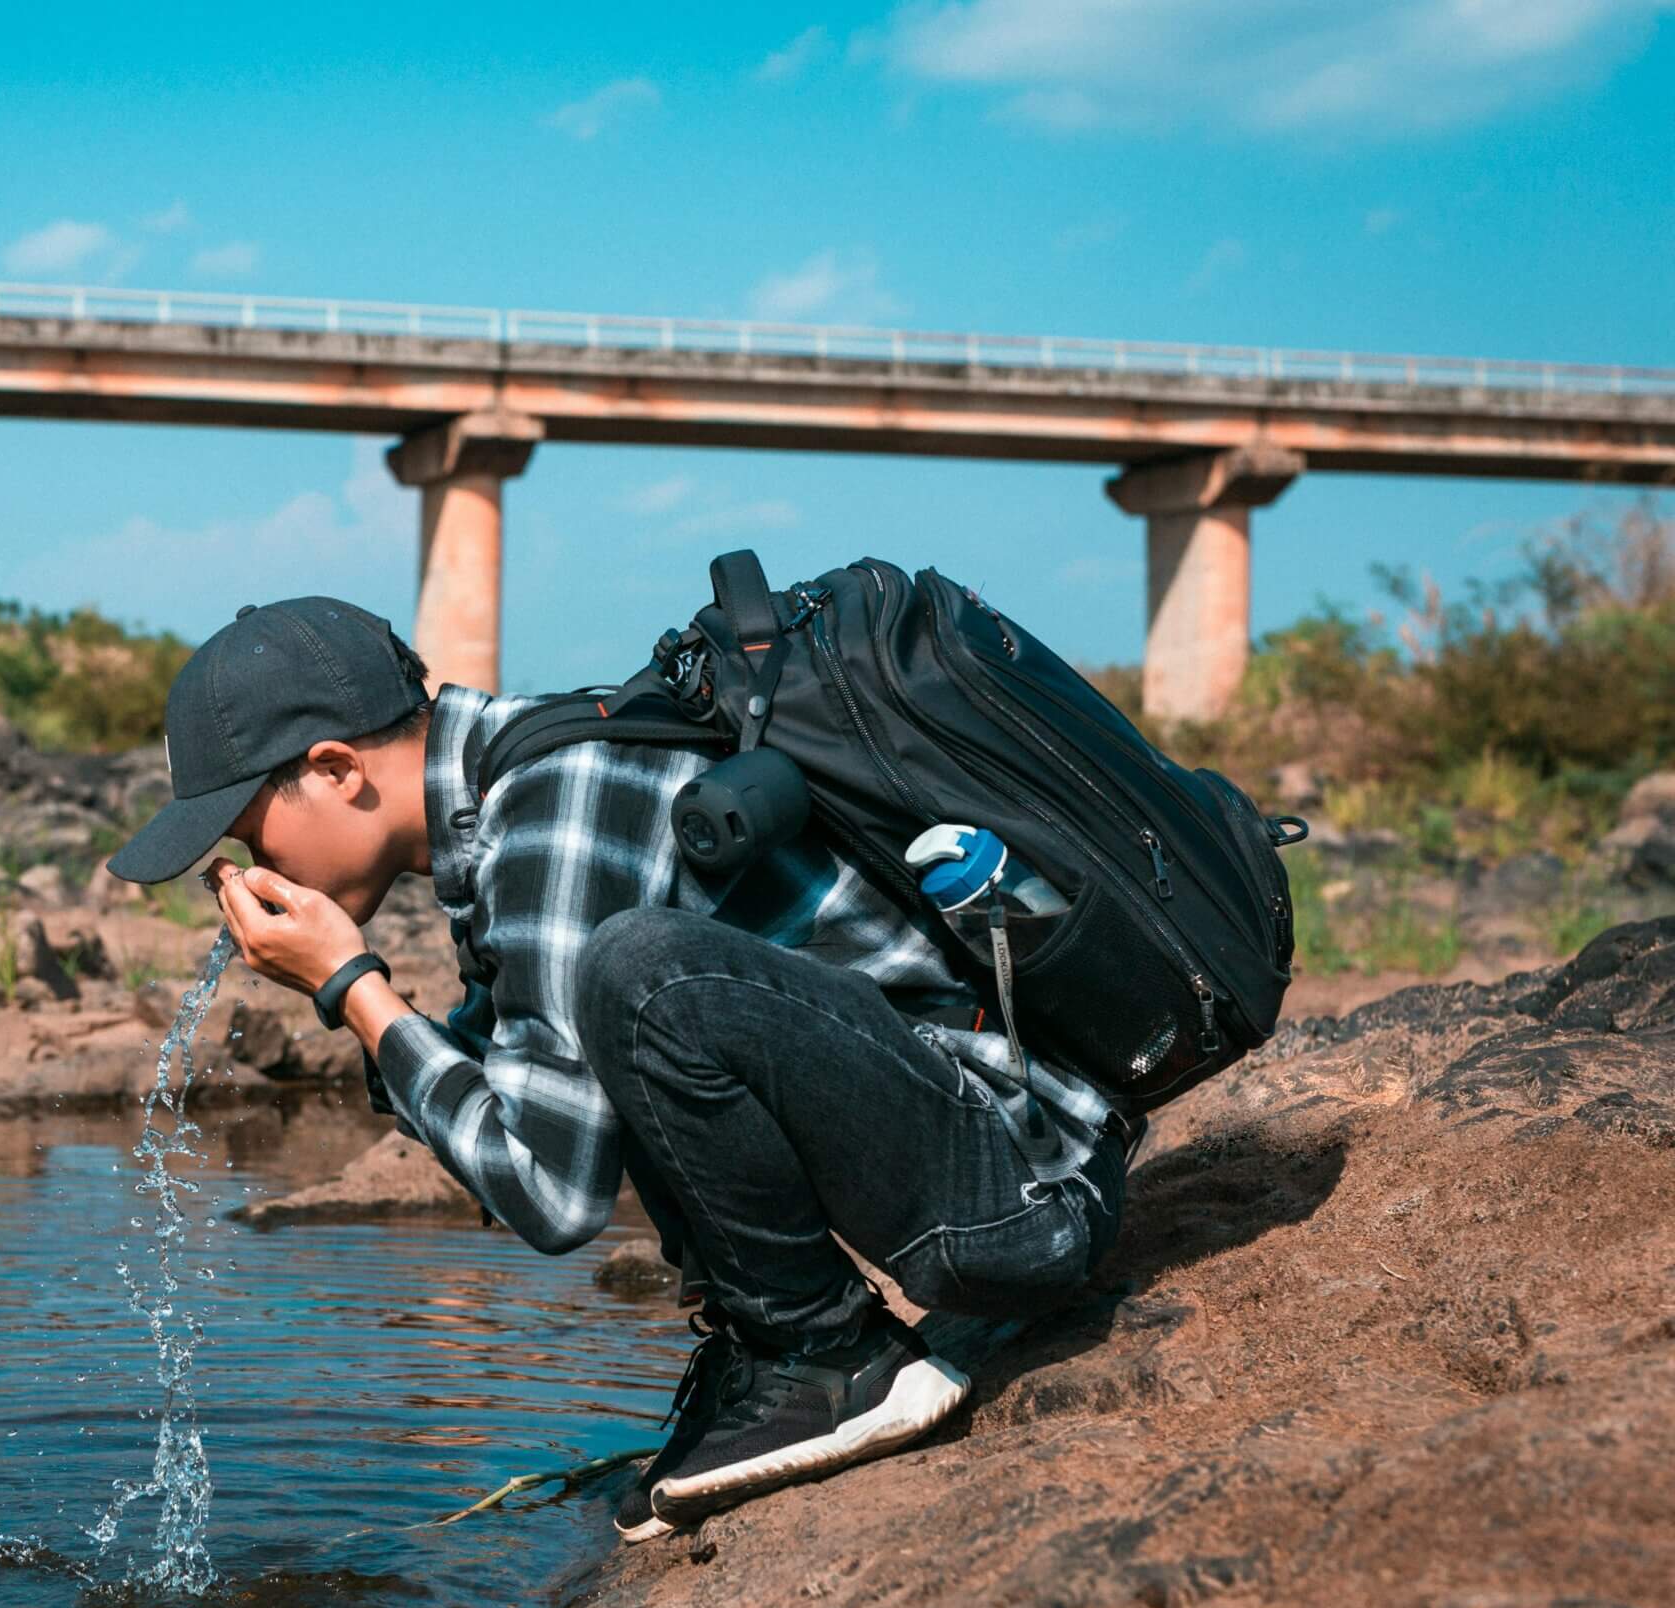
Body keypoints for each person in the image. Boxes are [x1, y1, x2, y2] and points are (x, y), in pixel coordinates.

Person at [106, 596, 1133, 1541]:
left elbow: (549, 1193)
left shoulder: (555, 800)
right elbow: (526, 1095)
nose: (245, 871)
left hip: (1018, 1200)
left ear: (335, 768)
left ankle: (828, 1358)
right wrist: (370, 1010)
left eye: (248, 831)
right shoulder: (508, 799)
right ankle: (762, 1351)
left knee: (636, 971)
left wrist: (352, 989)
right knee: (611, 996)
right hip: (976, 1167)